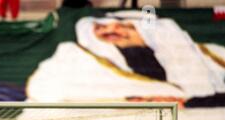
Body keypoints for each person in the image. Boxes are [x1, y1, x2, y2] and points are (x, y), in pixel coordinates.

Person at [27, 13, 225, 107]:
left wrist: (190, 101)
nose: (110, 31)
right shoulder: (74, 56)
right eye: (101, 28)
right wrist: (131, 98)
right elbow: (41, 88)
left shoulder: (208, 54)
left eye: (124, 27)